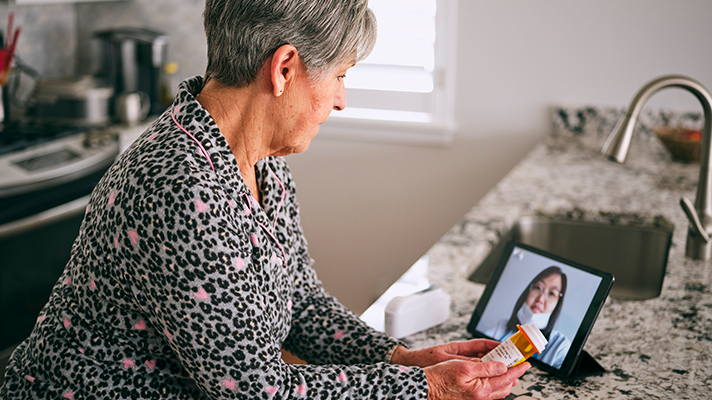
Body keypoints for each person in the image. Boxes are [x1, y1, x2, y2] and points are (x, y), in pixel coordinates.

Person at [0, 1, 529, 399]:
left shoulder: (260, 161)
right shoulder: (182, 187)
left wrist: (403, 359)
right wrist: (427, 389)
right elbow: (257, 390)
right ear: (284, 69)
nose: (342, 99)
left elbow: (300, 302)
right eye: (341, 76)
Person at [482, 266, 571, 369]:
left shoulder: (560, 345)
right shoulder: (502, 326)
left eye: (552, 294)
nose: (540, 299)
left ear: (557, 304)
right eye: (538, 288)